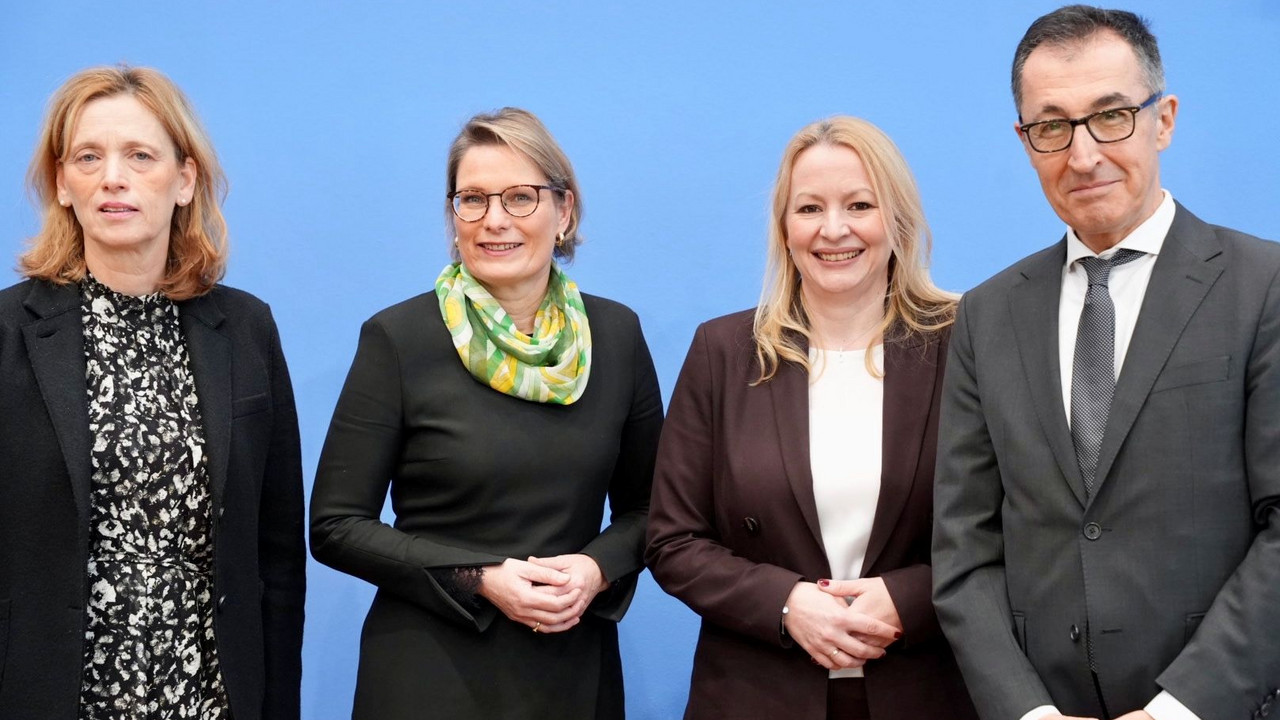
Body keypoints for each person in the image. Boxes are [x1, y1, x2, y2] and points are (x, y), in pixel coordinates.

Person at [932, 6, 1280, 720]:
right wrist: (1025, 711)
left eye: (1111, 116)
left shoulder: (1263, 286)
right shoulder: (987, 313)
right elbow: (963, 549)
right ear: (1026, 142)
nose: (1082, 154)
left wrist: (1178, 709)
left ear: (1165, 119)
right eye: (1052, 126)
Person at [309, 107, 663, 720]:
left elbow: (653, 507)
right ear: (454, 216)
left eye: (521, 198)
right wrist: (480, 576)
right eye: (472, 199)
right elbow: (336, 525)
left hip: (570, 667)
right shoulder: (399, 338)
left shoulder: (617, 335)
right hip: (429, 672)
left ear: (565, 212)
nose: (494, 219)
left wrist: (595, 569)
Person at [646, 116, 978, 720]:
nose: (833, 230)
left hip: (926, 691)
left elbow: (1012, 528)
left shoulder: (965, 343)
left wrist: (909, 599)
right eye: (809, 209)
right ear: (784, 227)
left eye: (859, 204)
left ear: (897, 219)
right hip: (755, 694)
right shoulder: (723, 351)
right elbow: (673, 539)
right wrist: (786, 603)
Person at [0, 66, 305, 720]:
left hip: (211, 700)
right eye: (89, 156)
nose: (113, 177)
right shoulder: (7, 333)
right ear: (62, 183)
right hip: (52, 697)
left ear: (185, 179)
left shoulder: (246, 328)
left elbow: (277, 558)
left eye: (139, 155)